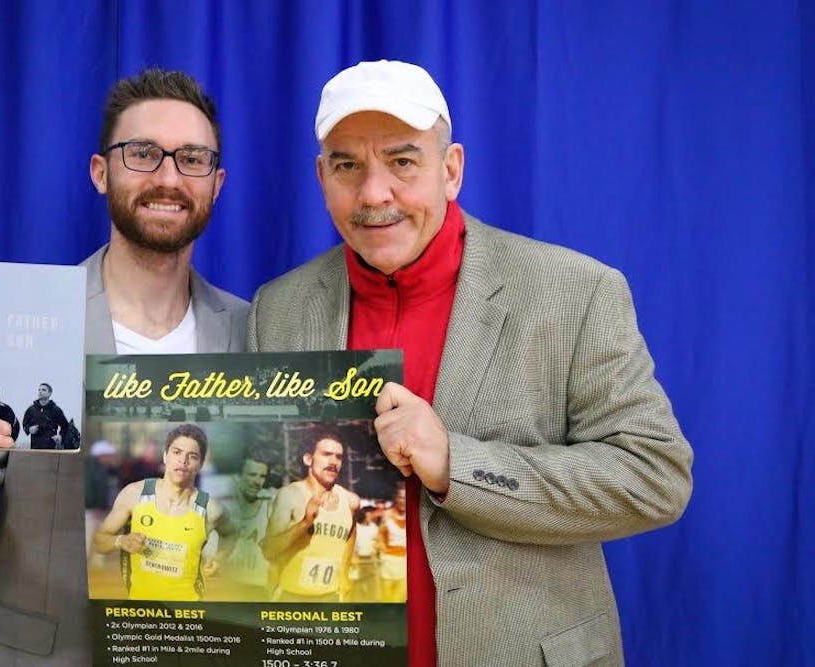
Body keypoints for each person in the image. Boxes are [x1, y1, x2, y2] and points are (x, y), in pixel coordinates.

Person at [247, 60, 693, 666]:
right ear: (322, 176)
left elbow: (654, 476)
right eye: (348, 165)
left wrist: (457, 463)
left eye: (403, 161)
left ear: (451, 169)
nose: (375, 193)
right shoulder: (277, 310)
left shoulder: (575, 291)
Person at [0, 68, 248, 665]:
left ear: (216, 183)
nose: (168, 177)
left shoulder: (253, 333)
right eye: (143, 153)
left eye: (191, 158)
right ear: (100, 172)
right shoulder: (26, 320)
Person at [92, 424, 224, 601]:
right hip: (141, 613)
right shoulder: (134, 494)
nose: (183, 461)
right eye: (176, 452)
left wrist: (219, 558)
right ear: (164, 456)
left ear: (200, 464)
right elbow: (99, 542)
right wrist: (121, 540)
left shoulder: (210, 508)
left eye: (192, 456)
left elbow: (231, 533)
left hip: (189, 614)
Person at [262, 430, 360, 602]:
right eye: (326, 454)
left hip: (330, 598)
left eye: (339, 457)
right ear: (308, 459)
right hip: (292, 597)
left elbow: (351, 534)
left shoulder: (351, 501)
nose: (333, 462)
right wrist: (305, 523)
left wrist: (344, 574)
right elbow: (269, 550)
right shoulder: (289, 496)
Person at [211, 450, 275, 601]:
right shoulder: (220, 509)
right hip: (224, 590)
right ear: (237, 476)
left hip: (257, 592)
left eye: (262, 476)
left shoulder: (271, 508)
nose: (257, 481)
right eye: (252, 475)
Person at [375, 483, 407, 602]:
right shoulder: (386, 515)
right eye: (400, 497)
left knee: (399, 600)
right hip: (388, 562)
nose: (403, 501)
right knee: (387, 599)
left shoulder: (413, 516)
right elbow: (379, 537)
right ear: (396, 498)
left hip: (404, 563)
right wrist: (382, 552)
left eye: (405, 497)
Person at [21, 382, 70, 449]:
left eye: (43, 390)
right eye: (39, 390)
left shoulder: (56, 410)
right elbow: (25, 424)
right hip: (35, 447)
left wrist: (60, 436)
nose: (40, 391)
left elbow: (65, 426)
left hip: (51, 446)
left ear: (50, 393)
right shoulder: (31, 409)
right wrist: (29, 429)